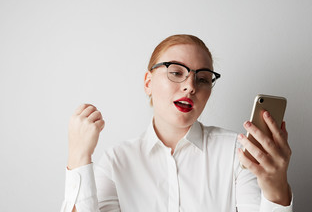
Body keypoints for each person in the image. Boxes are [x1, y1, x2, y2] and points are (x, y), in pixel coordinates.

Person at [61, 34, 293, 212]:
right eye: (176, 72)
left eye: (202, 79)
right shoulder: (116, 161)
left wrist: (276, 189)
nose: (191, 86)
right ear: (148, 82)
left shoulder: (236, 153)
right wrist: (79, 156)